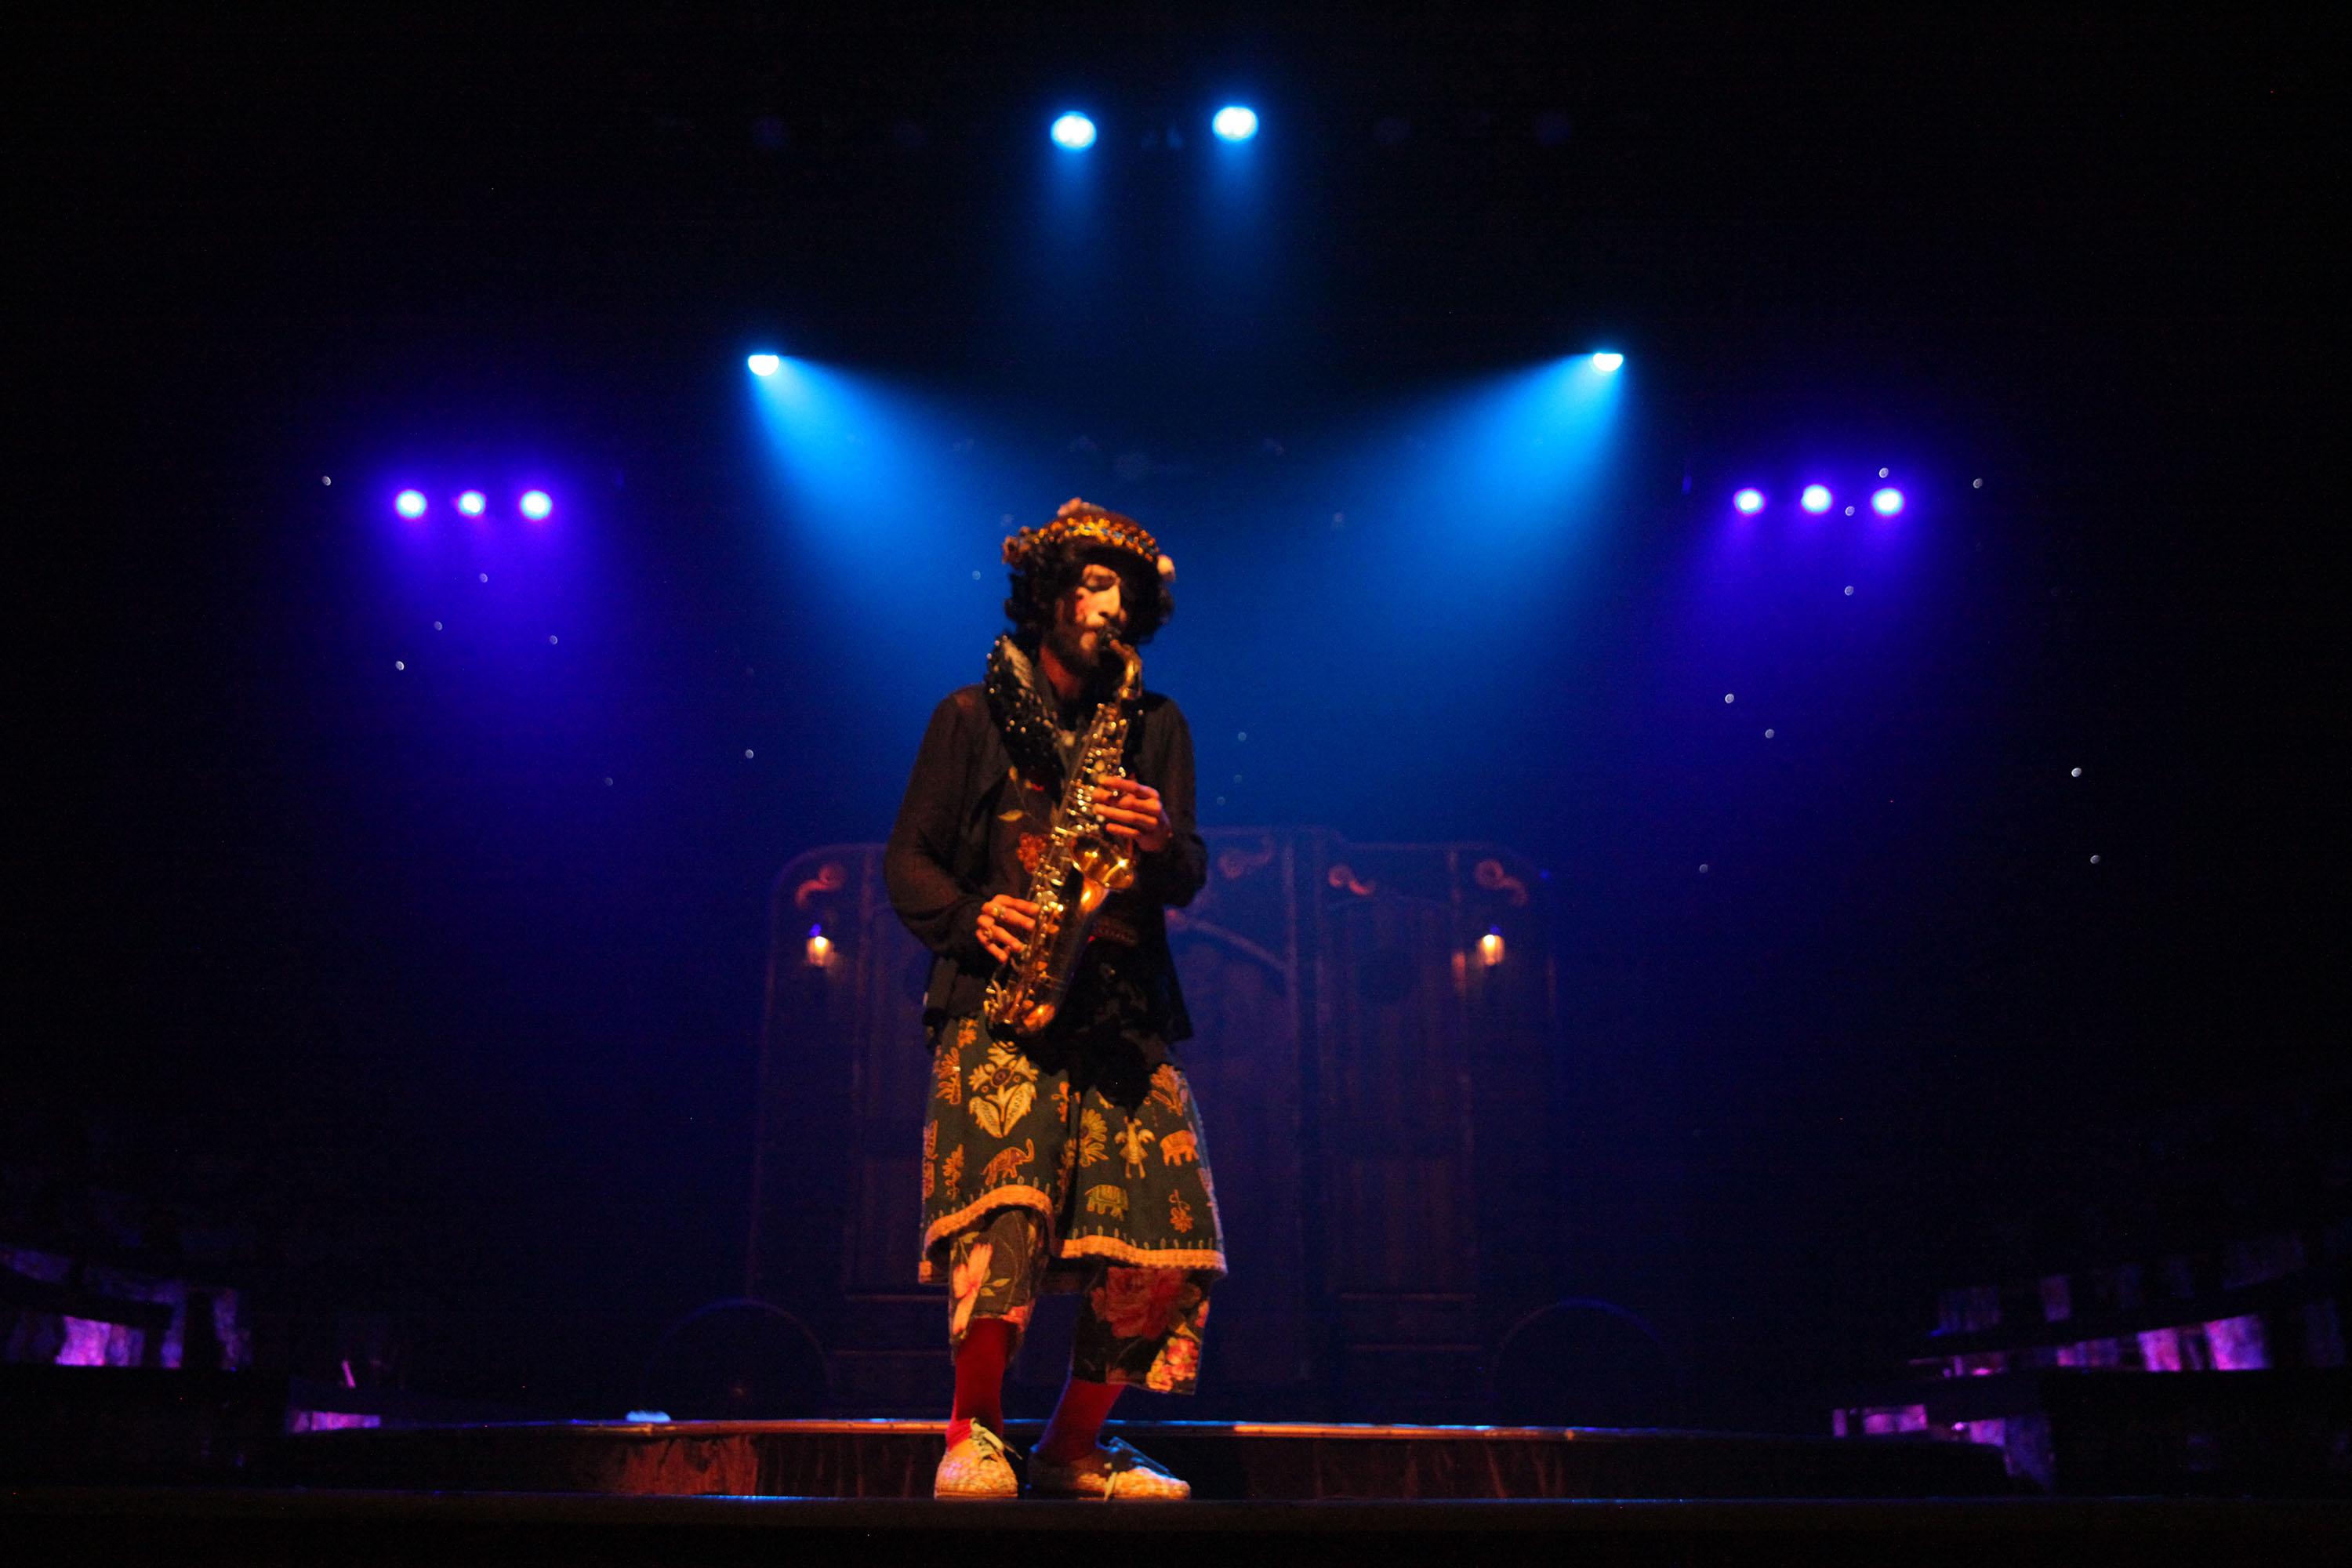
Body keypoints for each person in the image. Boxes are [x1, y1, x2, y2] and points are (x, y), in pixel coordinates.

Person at [885, 499, 1220, 1500]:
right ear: (1048, 595)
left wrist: (1159, 839)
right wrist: (968, 916)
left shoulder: (1155, 724)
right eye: (1089, 583)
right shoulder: (968, 716)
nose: (1107, 606)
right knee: (1004, 1215)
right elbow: (908, 860)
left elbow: (1187, 872)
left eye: (1123, 591)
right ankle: (974, 1431)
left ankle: (1073, 1445)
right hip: (1004, 1002)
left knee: (1168, 1231)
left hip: (1120, 1011)